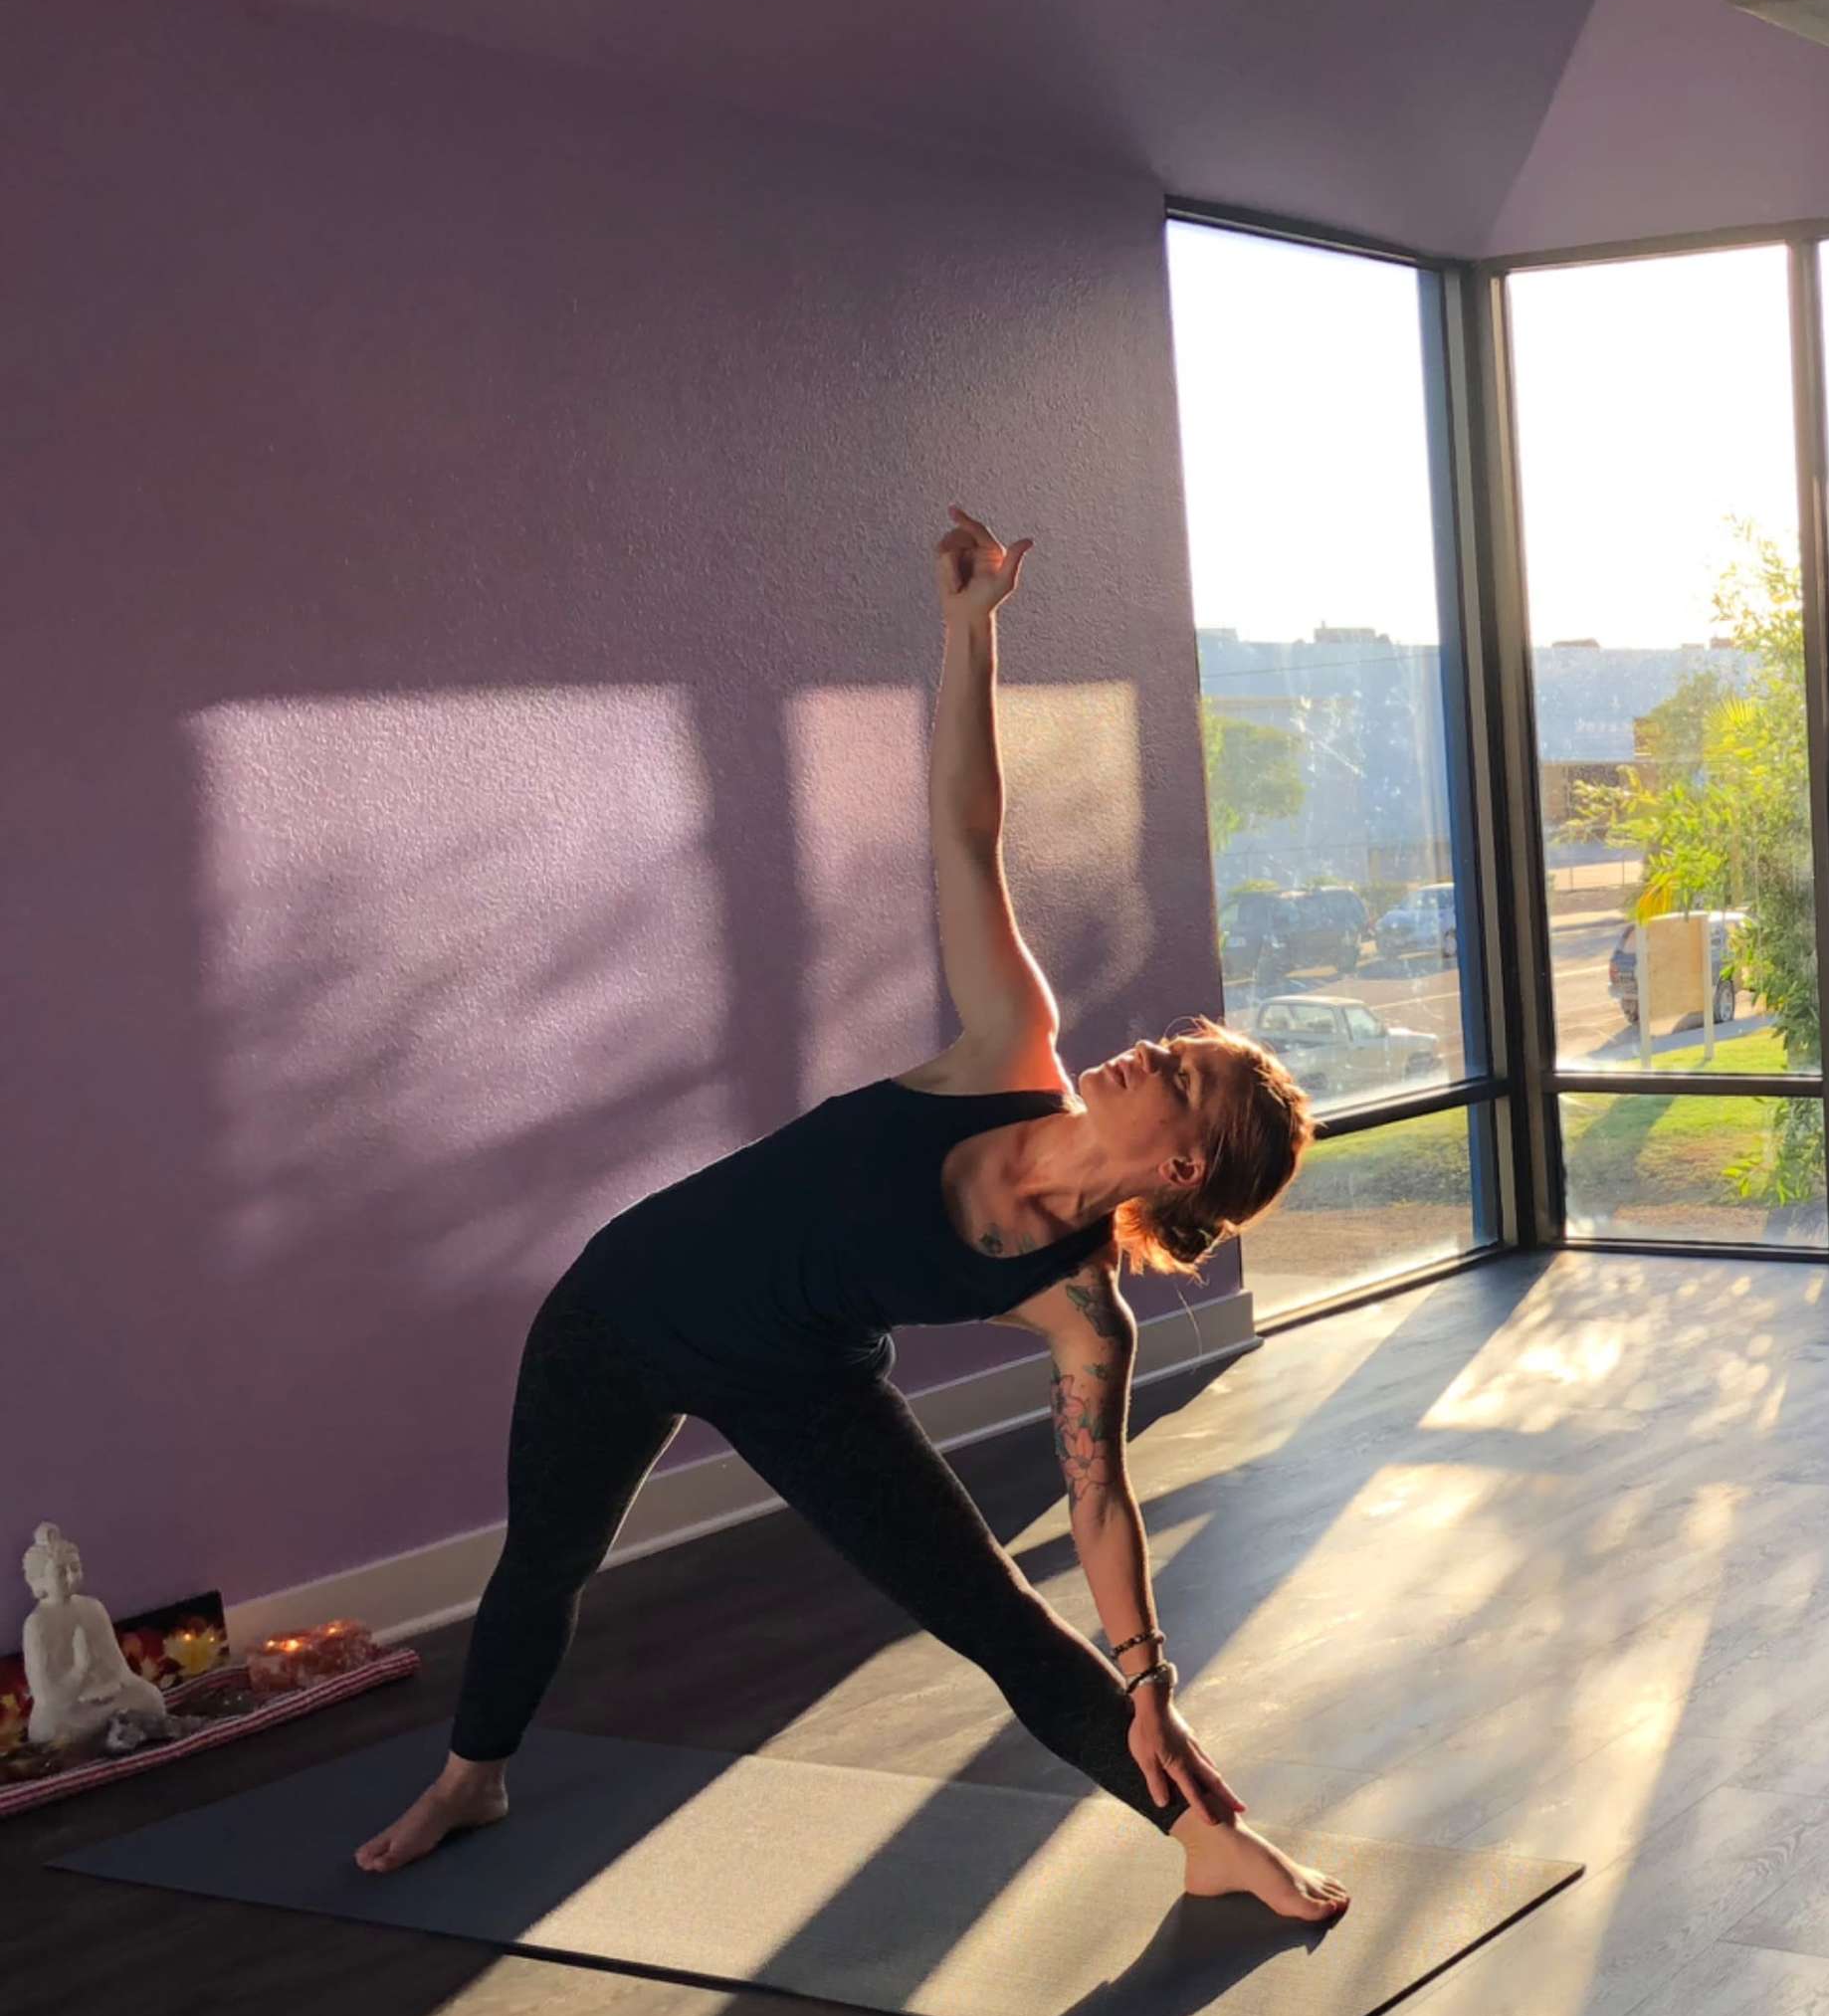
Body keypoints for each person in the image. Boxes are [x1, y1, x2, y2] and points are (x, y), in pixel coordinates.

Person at [358, 509, 1348, 1926]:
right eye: (1177, 1041)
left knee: (995, 1614)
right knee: (548, 1558)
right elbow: (966, 830)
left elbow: (1099, 1501)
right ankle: (474, 1773)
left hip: (797, 1384)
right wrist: (969, 629)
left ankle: (1202, 1835)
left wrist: (1148, 1678)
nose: (1152, 1049)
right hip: (618, 1305)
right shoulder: (1012, 1048)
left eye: (1178, 1076)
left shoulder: (1082, 1311)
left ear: (1185, 1170)